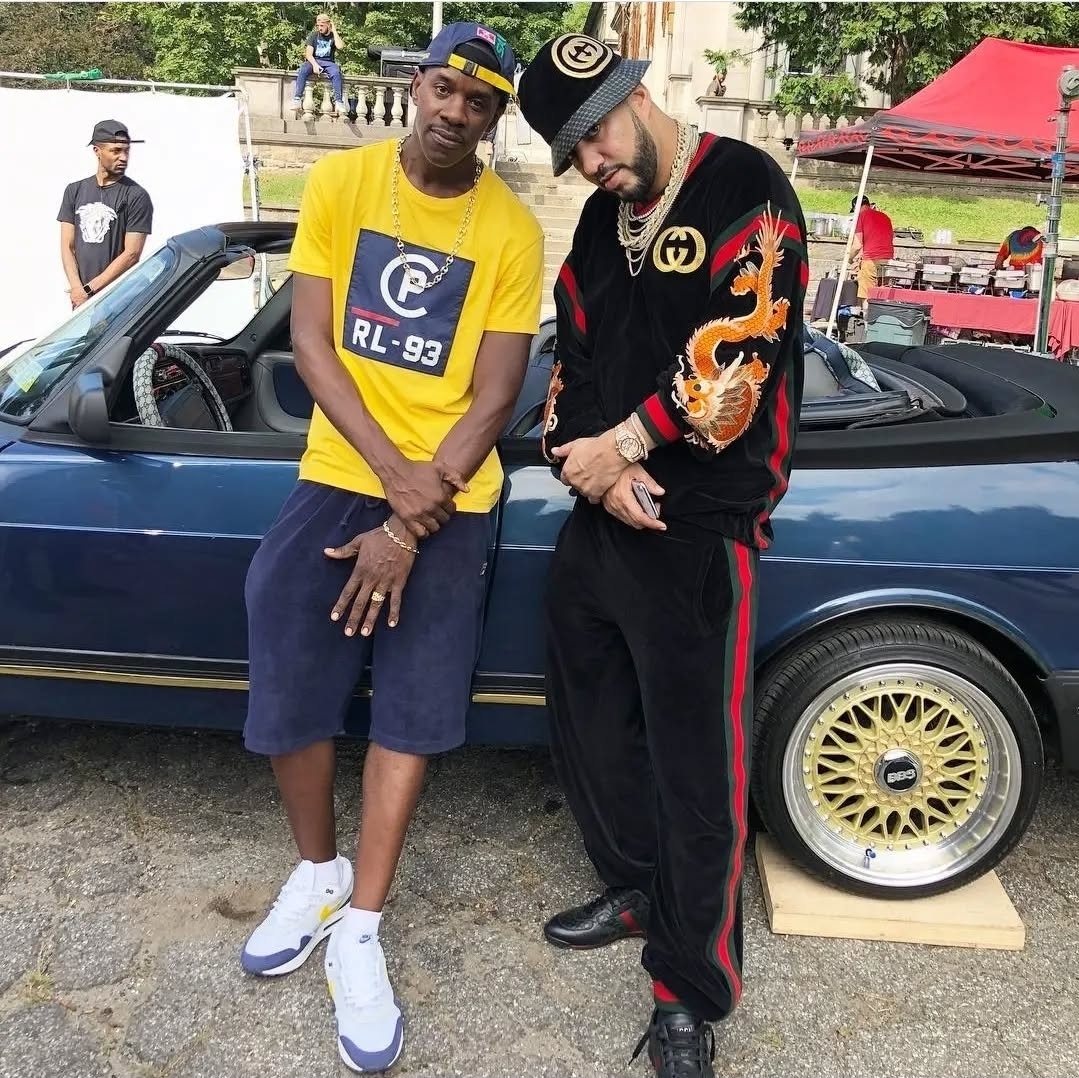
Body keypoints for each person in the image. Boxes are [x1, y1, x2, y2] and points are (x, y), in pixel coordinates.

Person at [240, 21, 543, 1075]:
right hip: (342, 468)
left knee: (412, 706)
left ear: (495, 119)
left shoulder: (510, 230)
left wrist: (411, 519)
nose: (456, 112)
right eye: (445, 89)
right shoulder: (342, 184)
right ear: (415, 86)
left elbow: (496, 395)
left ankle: (361, 925)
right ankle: (316, 872)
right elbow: (312, 343)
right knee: (286, 658)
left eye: (479, 102)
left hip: (454, 492)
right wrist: (386, 478)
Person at [515, 34, 807, 1078]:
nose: (591, 164)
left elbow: (739, 358)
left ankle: (690, 986)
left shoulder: (744, 185)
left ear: (632, 96)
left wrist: (629, 447)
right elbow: (574, 349)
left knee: (697, 767)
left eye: (594, 136)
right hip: (604, 511)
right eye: (572, 154)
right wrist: (590, 468)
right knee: (592, 720)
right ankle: (641, 886)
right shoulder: (603, 221)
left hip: (700, 524)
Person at [57, 120, 153, 310]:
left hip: (120, 299)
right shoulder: (74, 191)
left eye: (126, 151)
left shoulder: (136, 195)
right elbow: (67, 246)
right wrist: (77, 289)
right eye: (116, 151)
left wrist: (89, 290)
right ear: (97, 151)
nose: (123, 157)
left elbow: (132, 254)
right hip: (82, 299)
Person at [291, 12, 346, 115]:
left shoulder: (333, 36)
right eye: (318, 25)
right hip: (314, 60)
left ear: (328, 25)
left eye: (322, 25)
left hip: (328, 63)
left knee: (336, 72)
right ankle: (297, 99)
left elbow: (340, 46)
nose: (320, 28)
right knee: (303, 69)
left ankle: (339, 102)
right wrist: (315, 65)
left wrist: (334, 30)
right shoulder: (314, 35)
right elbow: (308, 54)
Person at [848, 193, 893, 300]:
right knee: (882, 295)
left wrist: (849, 258)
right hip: (888, 260)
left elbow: (857, 245)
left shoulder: (861, 216)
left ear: (856, 207)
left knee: (867, 296)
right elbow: (881, 238)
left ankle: (867, 311)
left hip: (871, 260)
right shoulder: (885, 216)